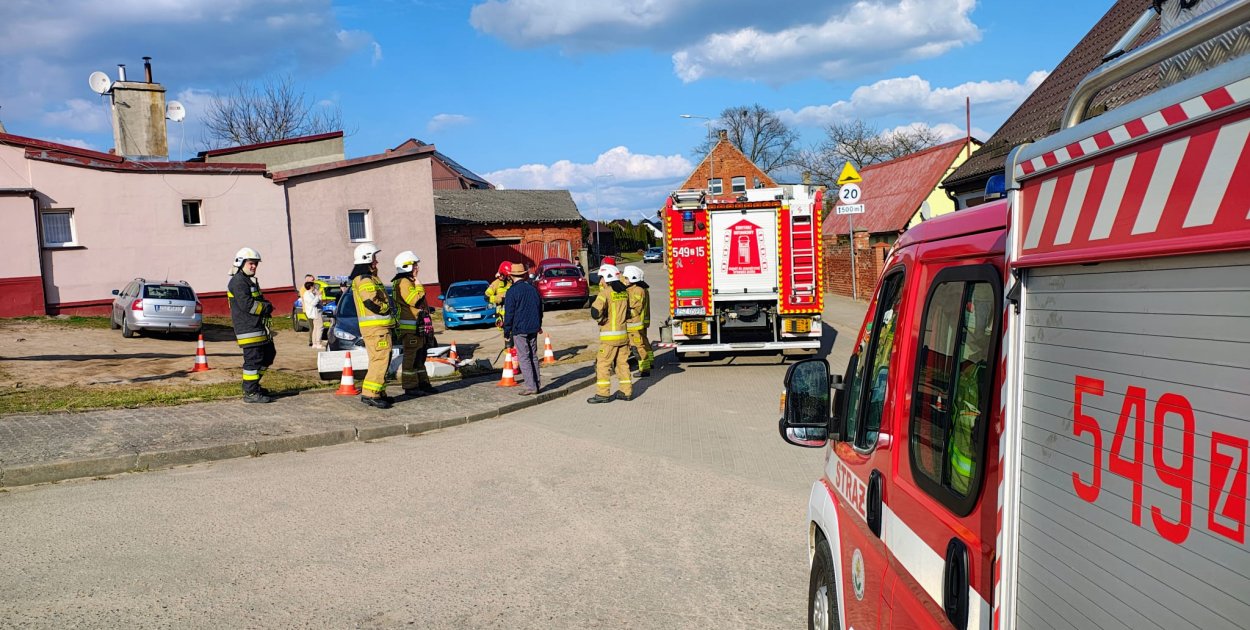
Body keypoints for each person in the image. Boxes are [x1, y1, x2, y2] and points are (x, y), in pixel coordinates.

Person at [350, 243, 396, 409]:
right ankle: (370, 394)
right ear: (367, 259)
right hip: (376, 329)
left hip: (378, 329)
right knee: (380, 360)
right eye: (374, 258)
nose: (376, 262)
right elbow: (370, 301)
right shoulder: (365, 279)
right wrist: (385, 308)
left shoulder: (368, 277)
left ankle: (379, 392)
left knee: (381, 359)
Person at [228, 247, 276, 403]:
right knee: (253, 360)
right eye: (251, 263)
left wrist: (266, 304)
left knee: (269, 355)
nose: (254, 266)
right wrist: (266, 307)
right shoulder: (238, 282)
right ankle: (250, 392)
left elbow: (258, 299)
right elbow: (248, 305)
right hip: (248, 329)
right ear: (241, 263)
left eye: (256, 263)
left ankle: (253, 385)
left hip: (259, 328)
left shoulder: (248, 280)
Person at [392, 250, 437, 397]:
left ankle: (423, 384)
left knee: (420, 357)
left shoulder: (407, 282)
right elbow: (415, 300)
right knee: (411, 359)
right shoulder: (404, 283)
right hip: (410, 328)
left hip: (417, 327)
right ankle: (410, 387)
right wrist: (419, 285)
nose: (417, 267)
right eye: (414, 265)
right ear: (406, 266)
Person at [587, 264, 633, 404]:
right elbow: (629, 313)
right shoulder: (624, 292)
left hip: (609, 337)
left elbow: (595, 311)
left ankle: (603, 394)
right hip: (623, 335)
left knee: (603, 364)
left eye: (601, 278)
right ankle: (626, 392)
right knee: (622, 364)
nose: (600, 281)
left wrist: (601, 319)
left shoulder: (605, 293)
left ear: (607, 277)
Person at [502, 262, 544, 396]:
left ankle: (531, 387)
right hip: (533, 327)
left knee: (524, 357)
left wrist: (507, 331)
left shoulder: (511, 292)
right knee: (533, 355)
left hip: (520, 329)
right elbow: (540, 308)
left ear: (512, 276)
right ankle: (537, 383)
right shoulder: (532, 289)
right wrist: (539, 325)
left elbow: (509, 313)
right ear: (523, 275)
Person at [622, 265, 653, 377]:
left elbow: (636, 309)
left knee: (638, 347)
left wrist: (623, 311)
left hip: (634, 324)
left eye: (626, 278)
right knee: (640, 345)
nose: (624, 280)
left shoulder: (637, 290)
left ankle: (644, 369)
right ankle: (648, 363)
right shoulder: (633, 289)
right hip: (632, 324)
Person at [302, 274, 325, 349]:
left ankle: (315, 343)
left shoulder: (311, 293)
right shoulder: (307, 294)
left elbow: (319, 300)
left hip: (316, 312)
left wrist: (318, 295)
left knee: (315, 328)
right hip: (315, 312)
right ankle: (318, 343)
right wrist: (317, 296)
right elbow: (313, 303)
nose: (314, 287)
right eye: (313, 285)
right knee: (320, 327)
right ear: (311, 286)